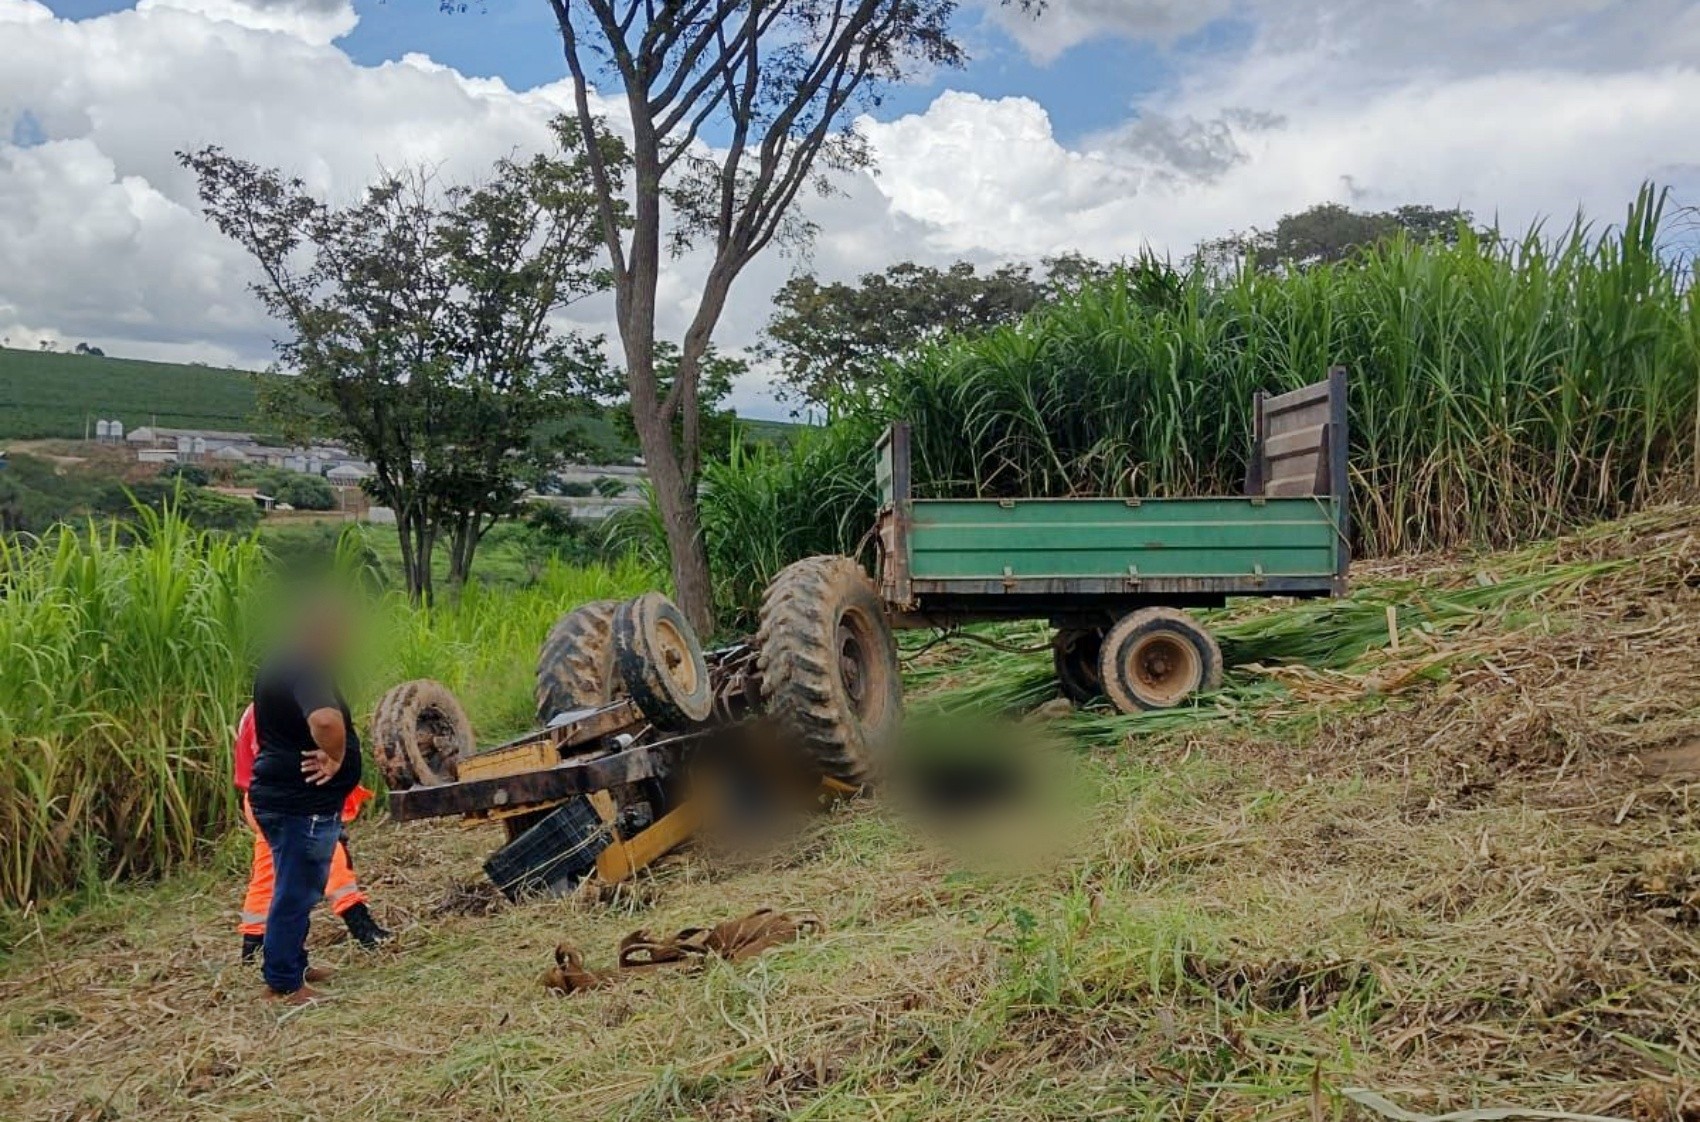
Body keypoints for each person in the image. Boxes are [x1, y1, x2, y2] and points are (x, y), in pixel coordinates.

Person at [247, 595, 368, 1004]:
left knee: (293, 885)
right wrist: (335, 757)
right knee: (296, 891)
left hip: (279, 796)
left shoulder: (281, 662)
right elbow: (324, 719)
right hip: (299, 802)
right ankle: (283, 982)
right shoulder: (307, 669)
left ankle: (291, 963)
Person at [234, 703, 391, 963]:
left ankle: (253, 948)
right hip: (289, 798)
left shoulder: (257, 710)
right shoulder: (296, 706)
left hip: (262, 799)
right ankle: (363, 929)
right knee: (329, 854)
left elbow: (249, 767)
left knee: (268, 871)